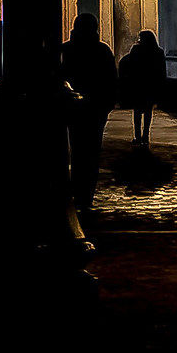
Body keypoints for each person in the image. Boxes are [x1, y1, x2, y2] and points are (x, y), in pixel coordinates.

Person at [59, 15, 118, 211]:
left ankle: (75, 189)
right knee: (92, 152)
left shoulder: (65, 49)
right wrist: (106, 105)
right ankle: (87, 193)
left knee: (76, 151)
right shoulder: (102, 50)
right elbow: (111, 81)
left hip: (73, 109)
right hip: (95, 109)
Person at [117, 30, 166, 144]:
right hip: (151, 85)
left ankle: (137, 136)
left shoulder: (136, 50)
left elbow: (128, 64)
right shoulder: (158, 52)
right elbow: (161, 71)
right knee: (148, 111)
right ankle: (146, 135)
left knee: (137, 111)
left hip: (138, 85)